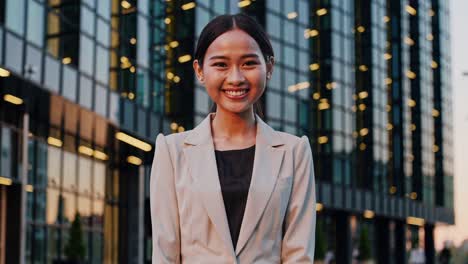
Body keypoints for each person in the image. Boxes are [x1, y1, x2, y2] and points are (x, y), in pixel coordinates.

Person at [150, 13, 316, 263]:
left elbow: (299, 255)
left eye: (249, 63)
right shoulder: (172, 152)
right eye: (221, 64)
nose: (236, 78)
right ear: (199, 70)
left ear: (269, 67)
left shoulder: (295, 152)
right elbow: (165, 253)